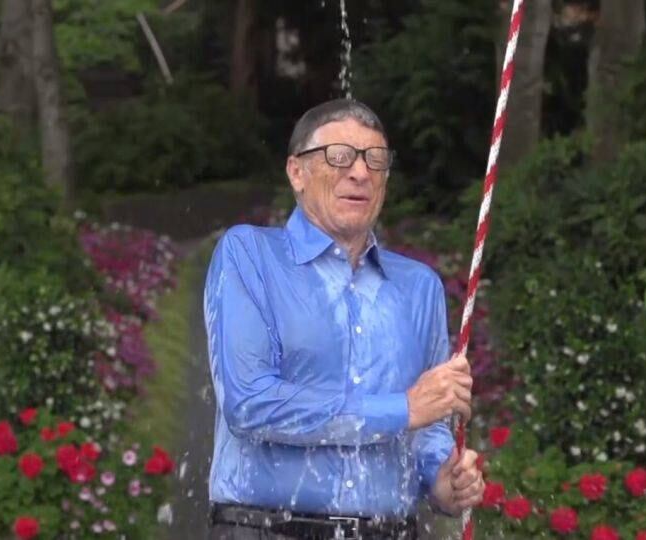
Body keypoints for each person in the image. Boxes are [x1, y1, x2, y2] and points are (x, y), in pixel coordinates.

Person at [204, 99, 483, 539]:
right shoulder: (249, 255)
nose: (360, 172)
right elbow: (251, 404)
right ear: (297, 172)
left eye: (376, 159)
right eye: (339, 156)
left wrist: (441, 481)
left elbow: (428, 425)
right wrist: (401, 409)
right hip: (265, 530)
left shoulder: (419, 287)